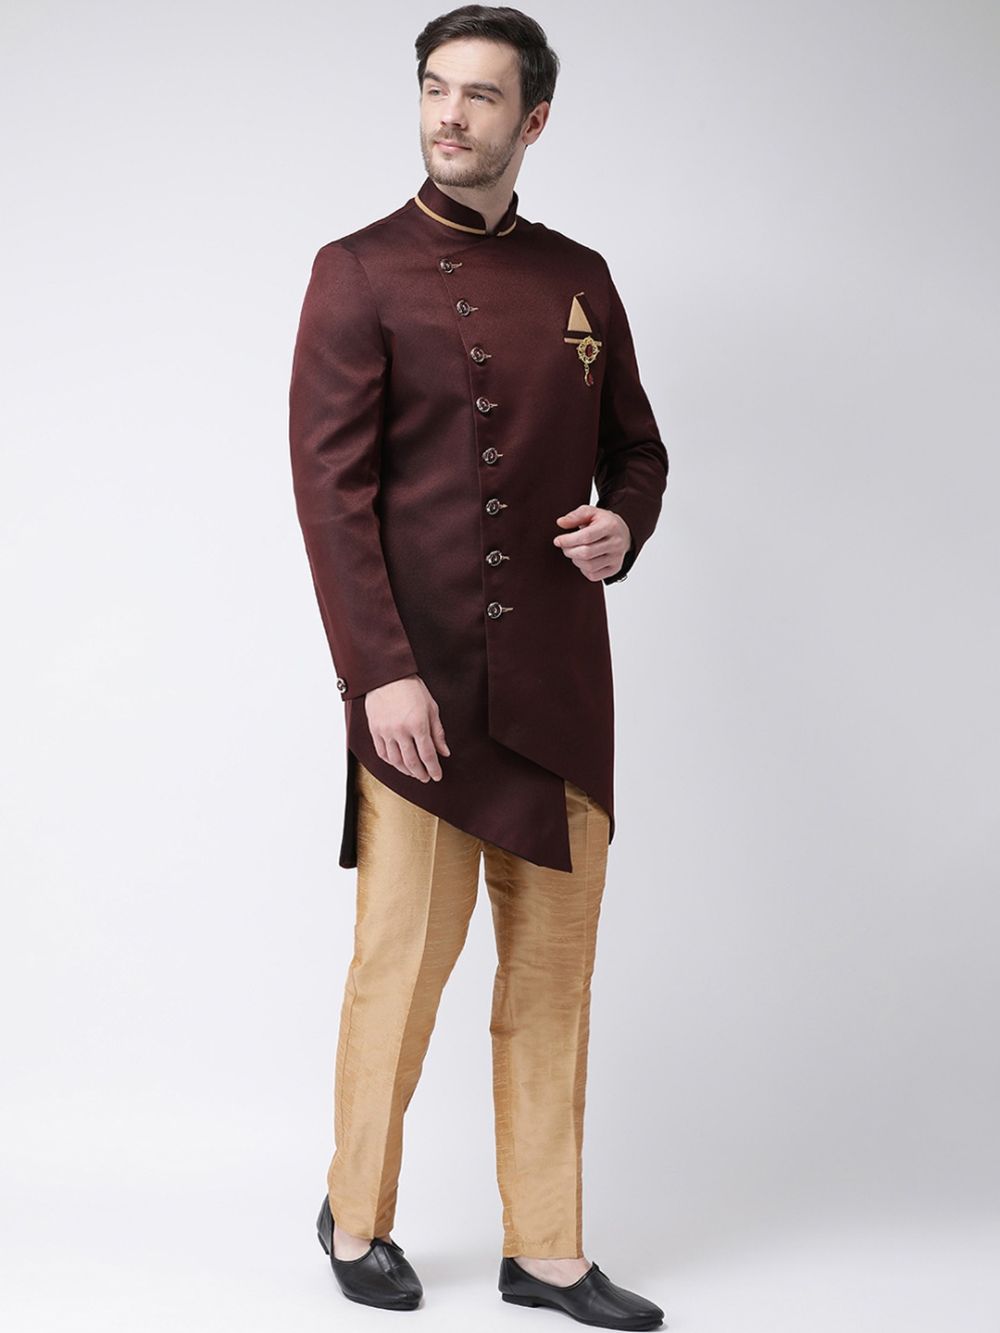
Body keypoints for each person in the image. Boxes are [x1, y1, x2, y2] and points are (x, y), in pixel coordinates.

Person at [288, 6, 668, 1328]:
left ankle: (547, 1251)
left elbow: (637, 449)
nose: (450, 116)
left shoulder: (581, 277)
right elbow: (332, 498)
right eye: (435, 90)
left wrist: (627, 521)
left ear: (534, 119)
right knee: (398, 975)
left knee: (555, 982)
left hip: (561, 687)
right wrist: (376, 677)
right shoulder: (357, 271)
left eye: (482, 96)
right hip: (423, 698)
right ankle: (354, 1215)